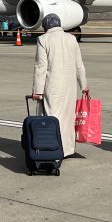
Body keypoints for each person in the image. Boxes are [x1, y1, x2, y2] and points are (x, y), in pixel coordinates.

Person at [31, 14, 88, 158]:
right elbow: (79, 65)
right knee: (68, 118)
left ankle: (53, 147)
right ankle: (67, 149)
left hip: (53, 86)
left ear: (46, 26)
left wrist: (37, 90)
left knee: (52, 118)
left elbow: (41, 67)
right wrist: (84, 85)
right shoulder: (71, 38)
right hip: (70, 87)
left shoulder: (43, 39)